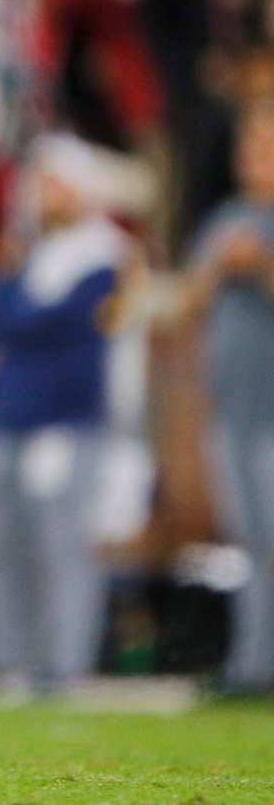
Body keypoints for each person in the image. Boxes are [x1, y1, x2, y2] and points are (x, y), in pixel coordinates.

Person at [0, 133, 128, 695]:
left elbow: (57, 325)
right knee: (7, 544)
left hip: (66, 419)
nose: (42, 194)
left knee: (62, 545)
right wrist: (20, 311)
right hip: (12, 415)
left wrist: (19, 312)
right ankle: (15, 660)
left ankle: (65, 664)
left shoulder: (104, 252)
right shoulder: (30, 252)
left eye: (54, 183)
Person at [185, 103, 274, 693]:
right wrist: (219, 269)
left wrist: (261, 264)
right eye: (251, 148)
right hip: (232, 406)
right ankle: (251, 665)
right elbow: (190, 302)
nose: (255, 161)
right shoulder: (227, 218)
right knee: (248, 543)